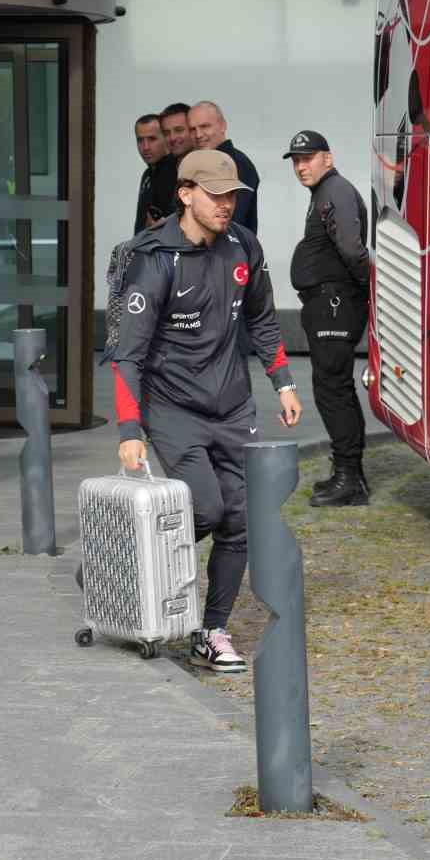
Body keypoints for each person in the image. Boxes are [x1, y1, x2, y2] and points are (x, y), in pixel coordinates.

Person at [109, 149, 303, 672]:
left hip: (233, 405)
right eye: (216, 195)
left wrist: (281, 381)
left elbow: (262, 316)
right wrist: (130, 429)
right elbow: (126, 355)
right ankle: (123, 562)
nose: (226, 204)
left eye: (232, 195)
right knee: (206, 510)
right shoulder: (154, 259)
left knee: (240, 519)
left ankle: (212, 630)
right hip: (172, 407)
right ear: (186, 193)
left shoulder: (243, 244)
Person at [285, 129, 372, 507]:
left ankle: (349, 479)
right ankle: (349, 474)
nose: (302, 166)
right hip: (328, 302)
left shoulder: (334, 191)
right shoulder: (323, 192)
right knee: (336, 388)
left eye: (308, 158)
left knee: (332, 390)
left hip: (334, 303)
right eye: (296, 161)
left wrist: (362, 289)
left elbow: (353, 249)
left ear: (328, 158)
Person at [188, 101, 259, 233]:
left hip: (230, 249)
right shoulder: (197, 164)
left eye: (205, 126)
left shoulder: (238, 164)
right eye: (192, 129)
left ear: (223, 125)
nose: (198, 135)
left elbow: (232, 219)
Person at [132, 113, 168, 234]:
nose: (145, 147)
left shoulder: (178, 173)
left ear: (166, 138)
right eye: (140, 140)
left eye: (152, 139)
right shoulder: (148, 174)